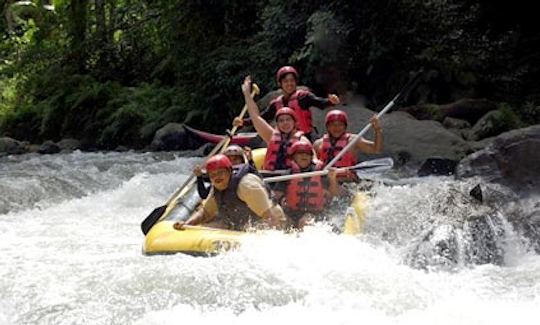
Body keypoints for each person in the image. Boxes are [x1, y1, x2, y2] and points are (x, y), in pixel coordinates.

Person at [174, 154, 286, 231]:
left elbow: (271, 218)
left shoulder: (247, 187)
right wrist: (187, 224)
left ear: (230, 172)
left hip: (271, 222)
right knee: (208, 226)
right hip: (240, 224)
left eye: (221, 173)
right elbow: (206, 212)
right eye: (213, 175)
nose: (217, 177)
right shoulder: (217, 187)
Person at [242, 66, 340, 141]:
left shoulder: (303, 97)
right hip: (286, 140)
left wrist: (330, 101)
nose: (289, 84)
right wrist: (243, 122)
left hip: (307, 137)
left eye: (292, 80)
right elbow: (263, 117)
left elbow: (320, 103)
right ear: (280, 84)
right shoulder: (276, 104)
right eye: (286, 81)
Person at [235, 76, 310, 171]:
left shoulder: (302, 140)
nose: (285, 123)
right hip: (272, 179)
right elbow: (255, 117)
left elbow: (313, 160)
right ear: (277, 124)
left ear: (294, 123)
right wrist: (247, 94)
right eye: (281, 120)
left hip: (293, 180)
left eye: (288, 120)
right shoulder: (271, 136)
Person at [274, 141, 342, 229]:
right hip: (292, 213)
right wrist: (281, 200)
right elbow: (275, 196)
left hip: (315, 213)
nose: (304, 156)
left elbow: (334, 194)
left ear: (311, 157)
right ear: (293, 157)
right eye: (300, 153)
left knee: (305, 222)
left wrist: (332, 179)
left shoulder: (320, 173)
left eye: (307, 154)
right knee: (278, 223)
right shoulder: (288, 175)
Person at [313, 109, 383, 182]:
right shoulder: (318, 144)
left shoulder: (353, 141)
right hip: (326, 183)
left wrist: (377, 130)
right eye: (333, 125)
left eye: (340, 125)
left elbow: (376, 149)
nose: (336, 128)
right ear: (327, 127)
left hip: (348, 183)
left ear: (345, 127)